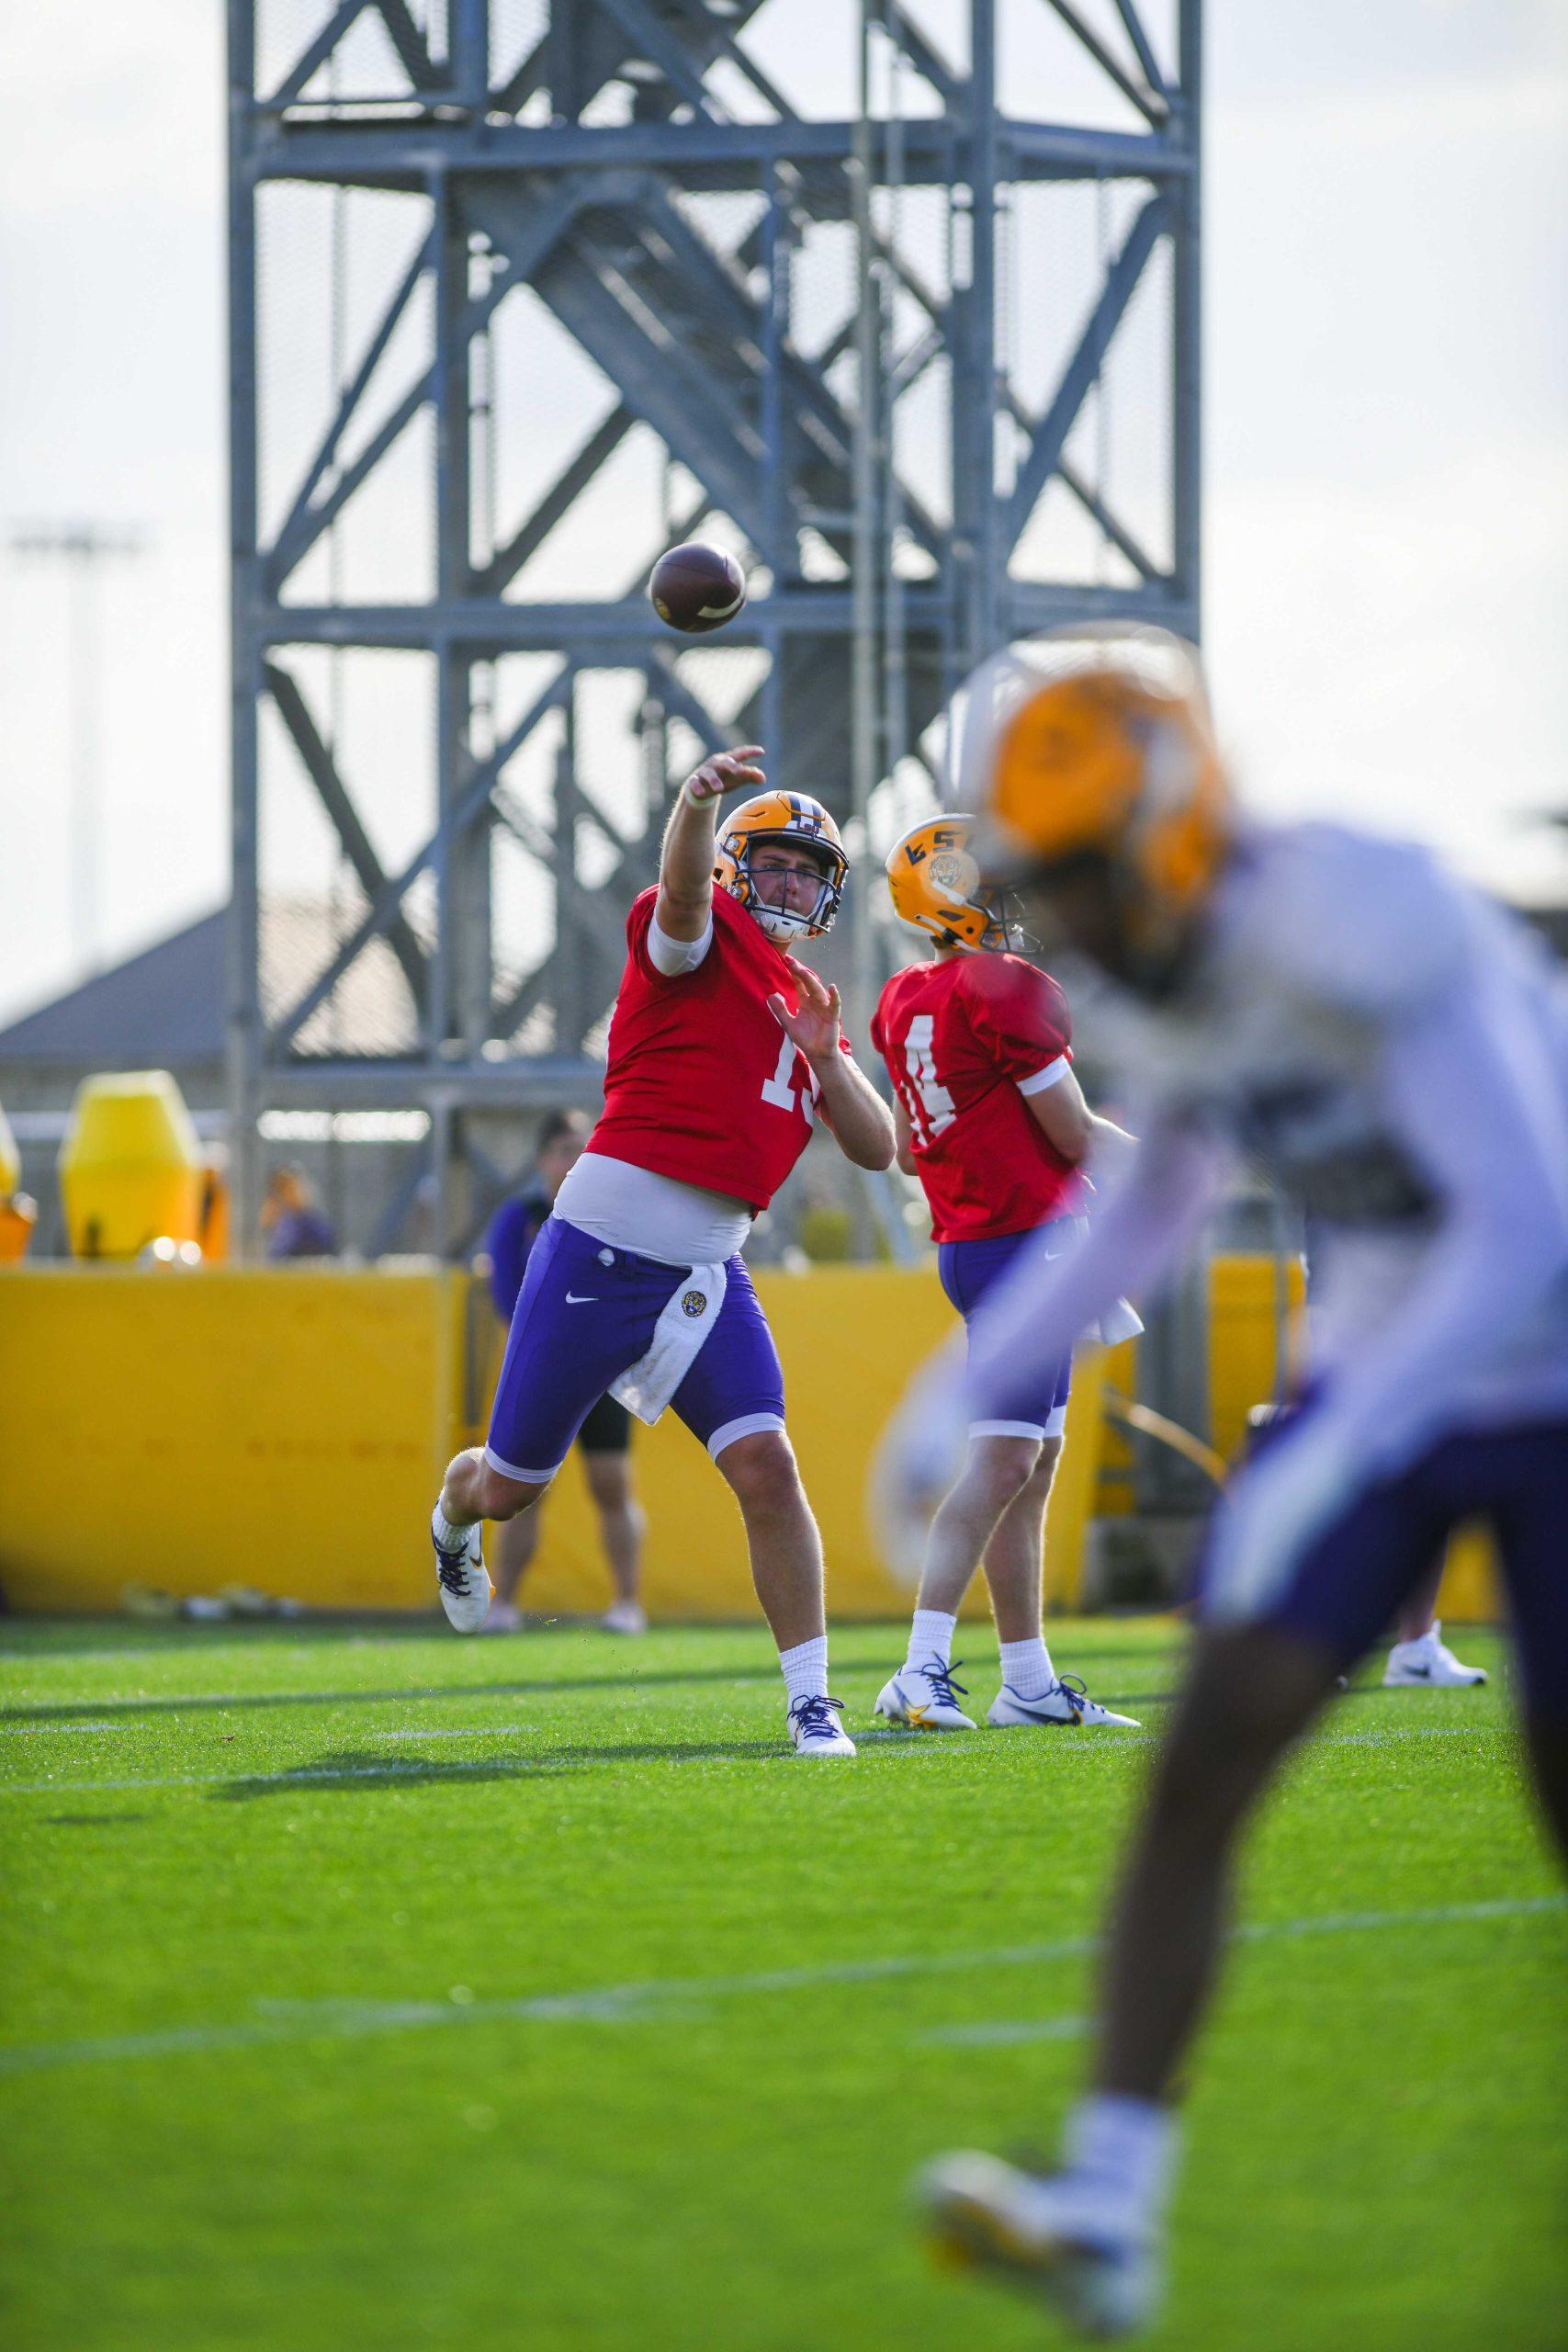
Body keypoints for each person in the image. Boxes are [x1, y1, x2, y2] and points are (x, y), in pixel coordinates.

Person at [885, 628, 1568, 2334]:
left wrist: (1337, 1444)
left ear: (1176, 823)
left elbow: (1523, 1219)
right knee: (1203, 1754)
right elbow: (1150, 1195)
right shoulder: (1172, 960)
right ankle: (1109, 2211)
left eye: (1094, 878)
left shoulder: (1365, 916)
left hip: (1547, 1358)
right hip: (1396, 1345)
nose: (1092, 922)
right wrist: (950, 1388)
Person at [429, 747, 897, 1758]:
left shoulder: (807, 996)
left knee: (770, 1470)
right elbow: (683, 891)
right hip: (597, 1250)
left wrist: (826, 1057)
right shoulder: (700, 930)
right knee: (512, 1487)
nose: (790, 886)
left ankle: (813, 1700)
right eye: (773, 864)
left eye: (808, 873)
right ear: (737, 868)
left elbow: (877, 1146)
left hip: (705, 1274)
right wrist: (694, 802)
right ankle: (453, 1513)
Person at [868, 812, 1139, 1732]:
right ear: (954, 897)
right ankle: (919, 1667)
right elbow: (1073, 1135)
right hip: (1025, 1245)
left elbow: (909, 1153)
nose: (1016, 906)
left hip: (972, 1243)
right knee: (1005, 1460)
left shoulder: (905, 995)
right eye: (997, 888)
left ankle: (1025, 1679)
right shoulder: (1008, 987)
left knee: (1032, 1459)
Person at [479, 1110, 646, 1635]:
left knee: (611, 1485)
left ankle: (627, 1603)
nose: (574, 1162)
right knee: (517, 1492)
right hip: (541, 1370)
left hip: (605, 1377)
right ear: (542, 1159)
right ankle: (503, 1604)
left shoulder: (614, 1216)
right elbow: (506, 1293)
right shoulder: (520, 1218)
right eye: (564, 1150)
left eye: (584, 1149)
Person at [261, 1164, 335, 1259]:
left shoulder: (311, 1224)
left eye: (291, 1188)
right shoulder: (276, 1216)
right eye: (282, 1189)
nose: (289, 1193)